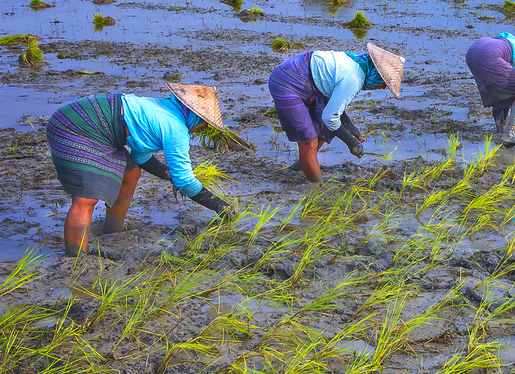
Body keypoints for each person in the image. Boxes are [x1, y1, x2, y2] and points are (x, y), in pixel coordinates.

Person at [45, 83, 233, 256]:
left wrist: (169, 176)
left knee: (131, 172)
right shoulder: (176, 128)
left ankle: (112, 233)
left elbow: (140, 156)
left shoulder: (163, 107)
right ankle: (74, 260)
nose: (204, 129)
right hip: (75, 127)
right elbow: (185, 180)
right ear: (195, 115)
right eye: (205, 123)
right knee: (86, 198)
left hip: (92, 121)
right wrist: (219, 205)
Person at [268, 43, 404, 184]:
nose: (380, 89)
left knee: (327, 128)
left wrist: (352, 129)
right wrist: (351, 143)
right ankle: (317, 189)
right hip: (286, 82)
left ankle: (300, 166)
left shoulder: (357, 62)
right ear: (377, 76)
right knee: (309, 142)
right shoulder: (353, 80)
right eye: (383, 84)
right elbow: (330, 117)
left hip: (307, 79)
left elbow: (334, 106)